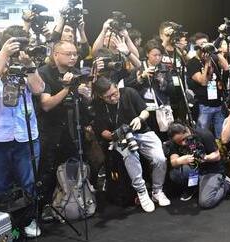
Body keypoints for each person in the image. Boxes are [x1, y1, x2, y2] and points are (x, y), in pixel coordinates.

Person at [92, 76, 170, 212]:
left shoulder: (129, 92)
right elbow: (102, 131)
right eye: (108, 97)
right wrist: (115, 135)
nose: (113, 98)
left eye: (114, 93)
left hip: (142, 132)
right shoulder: (98, 105)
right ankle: (142, 192)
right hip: (120, 137)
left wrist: (139, 118)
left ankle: (157, 191)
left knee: (160, 158)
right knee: (130, 156)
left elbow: (145, 111)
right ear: (100, 96)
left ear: (117, 87)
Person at [0, 28, 45, 237]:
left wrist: (30, 65)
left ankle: (29, 220)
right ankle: (5, 226)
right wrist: (4, 55)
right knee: (0, 184)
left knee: (29, 181)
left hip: (26, 133)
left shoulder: (27, 62)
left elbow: (39, 89)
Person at [37, 41, 92, 221]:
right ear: (56, 54)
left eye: (75, 54)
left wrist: (86, 95)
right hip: (50, 130)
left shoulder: (77, 73)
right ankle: (43, 208)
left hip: (72, 129)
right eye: (68, 54)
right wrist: (67, 88)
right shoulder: (44, 73)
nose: (73, 57)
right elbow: (46, 105)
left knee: (71, 168)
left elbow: (87, 102)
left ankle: (71, 203)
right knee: (47, 170)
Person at [167, 122, 230, 206]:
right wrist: (179, 161)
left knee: (205, 202)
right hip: (195, 169)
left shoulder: (203, 134)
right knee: (175, 174)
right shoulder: (174, 141)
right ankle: (194, 187)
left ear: (187, 130)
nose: (183, 143)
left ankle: (226, 185)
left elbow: (217, 156)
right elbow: (173, 161)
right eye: (179, 142)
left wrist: (205, 158)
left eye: (184, 139)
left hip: (211, 169)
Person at [124, 40, 175, 140]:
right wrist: (141, 77)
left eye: (160, 55)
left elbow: (172, 91)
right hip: (144, 109)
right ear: (147, 54)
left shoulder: (165, 68)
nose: (158, 58)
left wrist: (162, 81)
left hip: (161, 108)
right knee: (148, 137)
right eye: (154, 55)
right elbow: (128, 87)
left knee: (164, 137)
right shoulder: (139, 67)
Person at [186, 41, 229, 138]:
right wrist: (206, 64)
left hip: (218, 103)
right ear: (197, 48)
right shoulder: (192, 63)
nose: (205, 49)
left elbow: (226, 67)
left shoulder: (213, 58)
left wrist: (215, 51)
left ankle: (220, 147)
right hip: (204, 105)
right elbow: (203, 82)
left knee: (221, 135)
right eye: (202, 47)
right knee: (203, 135)